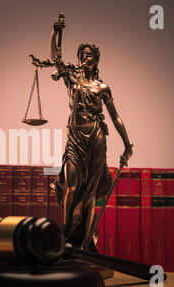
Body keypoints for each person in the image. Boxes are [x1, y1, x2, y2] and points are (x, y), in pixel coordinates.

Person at [46, 17, 133, 252]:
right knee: (71, 187)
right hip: (75, 137)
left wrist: (127, 145)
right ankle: (66, 235)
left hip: (96, 137)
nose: (84, 59)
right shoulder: (71, 79)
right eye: (82, 55)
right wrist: (55, 32)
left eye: (89, 55)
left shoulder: (102, 88)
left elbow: (115, 116)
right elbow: (55, 57)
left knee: (90, 192)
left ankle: (84, 243)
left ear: (97, 60)